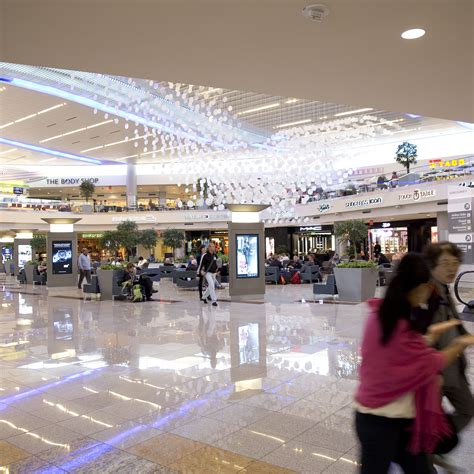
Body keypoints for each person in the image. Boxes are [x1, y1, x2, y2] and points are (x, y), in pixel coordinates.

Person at [355, 253, 474, 473]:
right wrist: (459, 344)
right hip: (380, 421)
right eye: (429, 285)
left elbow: (405, 349)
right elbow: (429, 362)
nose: (431, 290)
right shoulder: (398, 323)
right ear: (418, 287)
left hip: (400, 420)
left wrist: (430, 334)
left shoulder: (382, 314)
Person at [421, 242, 474, 434]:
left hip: (454, 368)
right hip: (433, 372)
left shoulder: (443, 288)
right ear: (433, 264)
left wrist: (464, 337)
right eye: (445, 263)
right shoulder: (426, 293)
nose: (451, 267)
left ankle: (438, 441)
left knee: (467, 409)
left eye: (454, 262)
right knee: (426, 420)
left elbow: (453, 322)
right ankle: (426, 453)